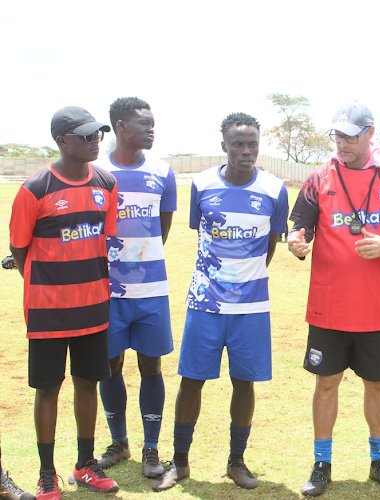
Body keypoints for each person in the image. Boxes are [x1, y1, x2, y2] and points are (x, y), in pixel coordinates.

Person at [288, 101, 380, 496]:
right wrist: (296, 243)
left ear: (370, 134)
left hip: (376, 308)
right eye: (338, 135)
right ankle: (321, 463)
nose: (343, 142)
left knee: (378, 385)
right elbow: (300, 229)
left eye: (351, 135)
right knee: (326, 382)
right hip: (329, 306)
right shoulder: (319, 178)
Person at [152, 112, 288, 492]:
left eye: (252, 144)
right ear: (224, 145)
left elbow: (270, 246)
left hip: (250, 308)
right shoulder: (201, 184)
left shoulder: (275, 190)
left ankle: (236, 462)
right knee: (191, 381)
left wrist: (246, 283)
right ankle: (179, 461)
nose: (246, 151)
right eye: (238, 144)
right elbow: (203, 237)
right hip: (205, 304)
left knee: (244, 384)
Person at [9, 106, 119, 500]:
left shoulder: (106, 183)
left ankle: (85, 465)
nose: (95, 142)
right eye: (87, 136)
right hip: (48, 311)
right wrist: (50, 284)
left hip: (94, 307)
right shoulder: (34, 189)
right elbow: (19, 250)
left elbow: (102, 240)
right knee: (48, 389)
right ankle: (45, 474)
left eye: (98, 135)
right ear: (62, 141)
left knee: (87, 384)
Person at [92, 97, 177, 479]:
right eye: (144, 123)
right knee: (109, 367)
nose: (152, 129)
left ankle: (151, 448)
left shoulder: (162, 171)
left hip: (151, 290)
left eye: (153, 123)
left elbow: (163, 226)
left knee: (151, 367)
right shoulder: (95, 170)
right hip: (106, 291)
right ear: (121, 126)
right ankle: (118, 441)